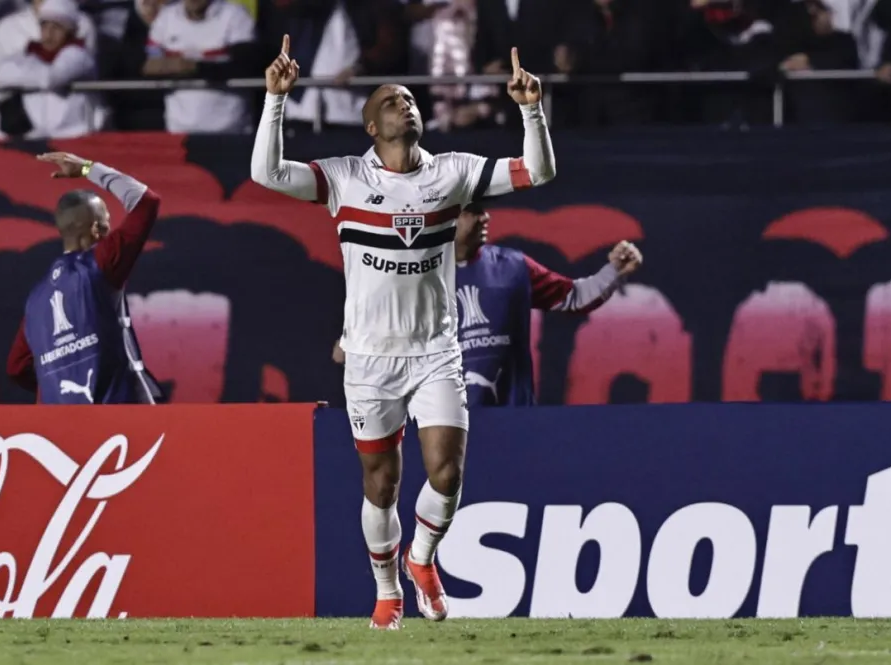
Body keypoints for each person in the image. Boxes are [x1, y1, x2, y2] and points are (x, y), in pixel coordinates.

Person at [251, 34, 555, 630]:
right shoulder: (341, 180)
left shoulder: (454, 174)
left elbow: (538, 171)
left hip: (437, 353)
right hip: (369, 360)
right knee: (381, 485)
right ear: (370, 125)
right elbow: (266, 172)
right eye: (392, 101)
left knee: (446, 473)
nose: (405, 105)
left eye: (411, 100)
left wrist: (530, 109)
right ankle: (386, 589)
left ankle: (422, 561)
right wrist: (275, 100)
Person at [334, 203, 643, 406]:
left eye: (484, 209)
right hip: (445, 433)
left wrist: (613, 271)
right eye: (472, 211)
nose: (485, 217)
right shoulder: (413, 280)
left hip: (516, 421)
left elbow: (574, 297)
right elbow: (345, 352)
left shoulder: (513, 265)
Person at [6, 152, 163, 405]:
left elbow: (16, 367)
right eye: (107, 222)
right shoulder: (101, 264)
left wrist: (55, 382)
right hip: (121, 424)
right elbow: (146, 201)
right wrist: (88, 168)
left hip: (60, 427)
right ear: (96, 229)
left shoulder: (35, 300)